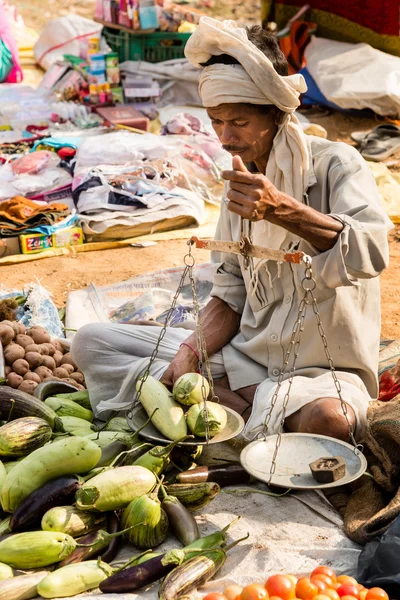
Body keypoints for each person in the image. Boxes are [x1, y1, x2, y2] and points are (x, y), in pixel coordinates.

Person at [71, 17, 392, 442]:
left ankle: (232, 408)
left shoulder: (335, 164)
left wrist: (282, 210)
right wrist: (190, 352)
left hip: (319, 370)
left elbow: (370, 251)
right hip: (246, 360)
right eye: (216, 121)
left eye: (238, 121)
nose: (224, 137)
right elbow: (230, 294)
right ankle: (249, 410)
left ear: (275, 112)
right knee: (92, 342)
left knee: (334, 422)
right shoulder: (238, 185)